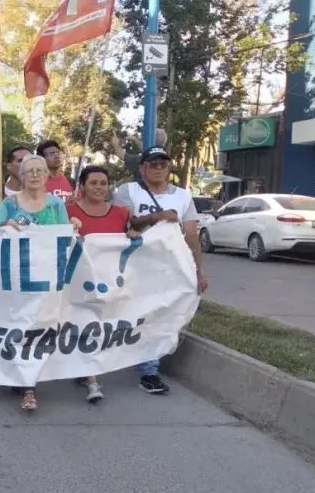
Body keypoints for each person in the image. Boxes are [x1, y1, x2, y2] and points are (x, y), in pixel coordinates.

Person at [112, 146, 209, 395]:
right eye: (153, 164)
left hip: (169, 267)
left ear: (169, 168)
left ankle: (149, 370)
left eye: (163, 164)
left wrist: (198, 271)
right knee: (133, 312)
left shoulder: (183, 196)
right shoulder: (128, 191)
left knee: (159, 314)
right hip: (135, 265)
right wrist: (157, 217)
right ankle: (126, 354)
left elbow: (190, 234)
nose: (158, 169)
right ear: (142, 168)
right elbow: (125, 222)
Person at [0, 154, 70, 412]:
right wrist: (6, 224)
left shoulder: (57, 205)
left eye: (40, 170)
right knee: (19, 325)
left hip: (47, 279)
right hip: (17, 279)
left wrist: (74, 228)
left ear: (48, 176)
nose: (35, 175)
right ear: (21, 177)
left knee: (40, 327)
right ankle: (21, 377)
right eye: (29, 171)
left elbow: (65, 237)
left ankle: (29, 385)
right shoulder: (10, 203)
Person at [65, 165, 138, 403]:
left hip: (110, 283)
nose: (98, 187)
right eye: (93, 183)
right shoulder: (68, 211)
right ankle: (92, 379)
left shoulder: (121, 214)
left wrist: (134, 236)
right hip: (78, 281)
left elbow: (134, 242)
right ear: (83, 185)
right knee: (85, 325)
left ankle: (87, 371)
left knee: (100, 327)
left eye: (103, 183)